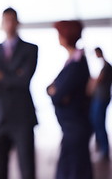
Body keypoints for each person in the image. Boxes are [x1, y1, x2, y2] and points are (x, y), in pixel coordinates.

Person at [0, 7, 38, 179]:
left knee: (27, 169)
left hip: (22, 117)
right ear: (1, 23)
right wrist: (13, 76)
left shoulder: (31, 49)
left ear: (18, 22)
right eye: (6, 20)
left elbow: (24, 80)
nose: (9, 24)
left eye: (12, 20)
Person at [47, 20, 93, 179]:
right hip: (72, 126)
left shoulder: (77, 63)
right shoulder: (73, 61)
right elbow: (53, 90)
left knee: (74, 169)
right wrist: (55, 91)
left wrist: (56, 92)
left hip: (75, 126)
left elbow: (57, 93)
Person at [90, 47, 112, 161]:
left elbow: (99, 80)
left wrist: (91, 84)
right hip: (101, 97)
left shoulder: (106, 66)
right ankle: (101, 148)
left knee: (99, 122)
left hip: (102, 98)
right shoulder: (105, 65)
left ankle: (104, 150)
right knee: (97, 122)